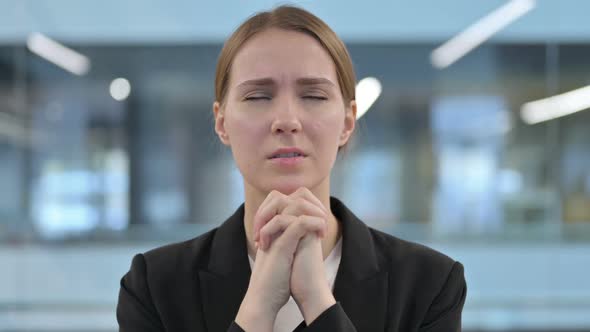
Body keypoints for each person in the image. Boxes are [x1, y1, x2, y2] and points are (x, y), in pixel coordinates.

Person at [117, 5, 467, 332]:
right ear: (222, 123)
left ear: (347, 122)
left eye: (314, 96)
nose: (286, 121)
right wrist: (256, 310)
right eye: (257, 97)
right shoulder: (155, 286)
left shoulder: (429, 283)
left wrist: (318, 301)